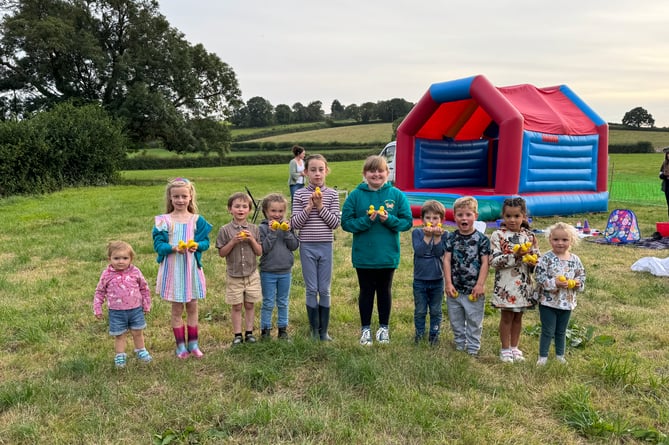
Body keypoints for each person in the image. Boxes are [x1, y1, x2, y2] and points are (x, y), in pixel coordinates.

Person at [341, 155, 413, 346]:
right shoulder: (356, 195)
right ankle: (365, 329)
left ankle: (383, 328)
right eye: (372, 171)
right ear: (365, 174)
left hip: (387, 255)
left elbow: (407, 222)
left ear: (387, 174)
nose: (376, 174)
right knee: (366, 291)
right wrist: (367, 221)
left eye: (380, 170)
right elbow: (346, 223)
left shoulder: (396, 195)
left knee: (384, 291)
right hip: (364, 255)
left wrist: (388, 220)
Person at [153, 177, 212, 359]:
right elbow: (158, 245)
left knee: (193, 306)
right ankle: (180, 346)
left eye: (183, 196)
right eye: (176, 196)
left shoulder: (197, 220)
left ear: (190, 197)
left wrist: (198, 246)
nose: (180, 200)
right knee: (177, 308)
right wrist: (172, 248)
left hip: (191, 270)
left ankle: (193, 344)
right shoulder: (164, 221)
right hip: (173, 270)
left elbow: (206, 242)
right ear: (170, 198)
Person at [291, 154, 341, 341]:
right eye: (313, 170)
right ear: (305, 172)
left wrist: (320, 207)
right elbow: (295, 223)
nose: (317, 174)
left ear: (326, 171)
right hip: (307, 247)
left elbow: (335, 223)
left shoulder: (332, 195)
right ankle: (313, 330)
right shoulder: (300, 194)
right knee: (312, 289)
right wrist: (309, 207)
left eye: (321, 169)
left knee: (325, 289)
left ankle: (324, 331)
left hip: (325, 246)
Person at [489, 197, 540, 363]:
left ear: (524, 216)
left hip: (524, 285)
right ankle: (504, 348)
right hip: (506, 285)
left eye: (517, 216)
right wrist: (515, 256)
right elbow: (494, 261)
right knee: (507, 317)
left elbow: (536, 259)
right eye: (508, 216)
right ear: (503, 216)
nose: (512, 220)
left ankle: (514, 347)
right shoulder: (498, 235)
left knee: (518, 317)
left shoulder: (530, 236)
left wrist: (533, 262)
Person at [443, 196, 491, 356]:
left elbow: (485, 263)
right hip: (454, 289)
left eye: (468, 215)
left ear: (475, 216)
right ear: (454, 216)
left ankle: (472, 348)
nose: (464, 218)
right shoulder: (450, 238)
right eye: (460, 215)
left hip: (474, 290)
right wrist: (448, 283)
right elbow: (447, 260)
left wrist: (480, 284)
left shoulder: (482, 240)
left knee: (474, 321)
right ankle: (459, 344)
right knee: (456, 320)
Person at [534, 222, 586, 366]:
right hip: (548, 302)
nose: (560, 243)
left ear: (571, 241)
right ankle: (542, 357)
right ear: (550, 239)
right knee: (547, 330)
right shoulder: (546, 258)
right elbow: (539, 277)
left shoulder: (575, 260)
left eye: (565, 240)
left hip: (567, 302)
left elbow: (581, 275)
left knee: (561, 331)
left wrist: (577, 283)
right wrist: (554, 283)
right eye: (556, 239)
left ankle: (560, 355)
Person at [94, 241, 152, 368]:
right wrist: (97, 308)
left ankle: (140, 350)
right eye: (116, 258)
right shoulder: (107, 275)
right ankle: (120, 355)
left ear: (131, 259)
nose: (121, 261)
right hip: (116, 311)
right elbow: (100, 291)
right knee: (120, 335)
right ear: (109, 259)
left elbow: (144, 288)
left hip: (136, 309)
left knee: (137, 332)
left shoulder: (135, 272)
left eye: (125, 258)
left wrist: (146, 304)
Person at [216, 192, 263, 346]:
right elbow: (222, 253)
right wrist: (233, 241)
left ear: (249, 210)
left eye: (244, 207)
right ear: (230, 209)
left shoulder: (254, 229)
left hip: (251, 274)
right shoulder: (225, 230)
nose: (240, 210)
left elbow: (259, 252)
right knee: (236, 305)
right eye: (237, 206)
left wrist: (251, 240)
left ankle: (249, 332)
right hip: (234, 274)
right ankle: (237, 334)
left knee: (250, 304)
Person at [258, 193, 299, 340]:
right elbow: (264, 249)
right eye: (273, 211)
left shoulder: (288, 227)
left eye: (280, 211)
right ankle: (265, 330)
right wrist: (272, 233)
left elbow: (294, 246)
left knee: (283, 301)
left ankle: (283, 330)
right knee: (268, 301)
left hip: (285, 271)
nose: (277, 214)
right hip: (268, 271)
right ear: (266, 212)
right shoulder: (262, 228)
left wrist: (287, 232)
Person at [412, 200, 448, 345]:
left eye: (435, 218)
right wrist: (427, 236)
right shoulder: (417, 233)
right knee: (420, 310)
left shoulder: (445, 235)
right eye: (428, 218)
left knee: (436, 310)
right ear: (422, 220)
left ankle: (434, 335)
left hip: (437, 279)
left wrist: (437, 237)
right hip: (420, 279)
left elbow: (440, 253)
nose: (431, 222)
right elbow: (420, 252)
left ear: (441, 220)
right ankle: (419, 334)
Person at [660, 147, 669, 219]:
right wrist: (663, 175)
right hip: (667, 185)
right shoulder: (664, 163)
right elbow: (660, 174)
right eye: (667, 154)